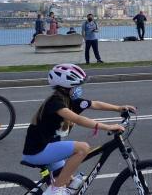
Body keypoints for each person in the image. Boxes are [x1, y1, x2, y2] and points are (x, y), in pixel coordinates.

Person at [22, 64, 134, 195]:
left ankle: (58, 188)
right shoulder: (56, 103)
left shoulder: (68, 100)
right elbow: (78, 119)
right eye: (77, 86)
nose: (79, 89)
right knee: (83, 148)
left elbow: (95, 104)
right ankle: (55, 190)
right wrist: (109, 127)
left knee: (71, 183)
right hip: (37, 151)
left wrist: (119, 108)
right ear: (66, 87)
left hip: (48, 147)